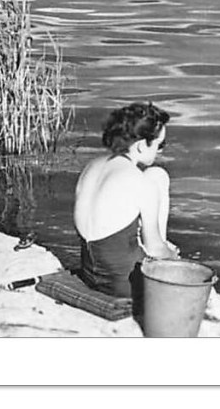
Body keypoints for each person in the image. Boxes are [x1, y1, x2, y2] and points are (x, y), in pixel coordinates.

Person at [73, 101, 179, 297]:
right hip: (125, 287)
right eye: (158, 144)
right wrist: (172, 255)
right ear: (140, 146)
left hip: (89, 276)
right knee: (167, 252)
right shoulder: (139, 182)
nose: (160, 150)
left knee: (157, 174)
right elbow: (156, 250)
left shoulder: (92, 167)